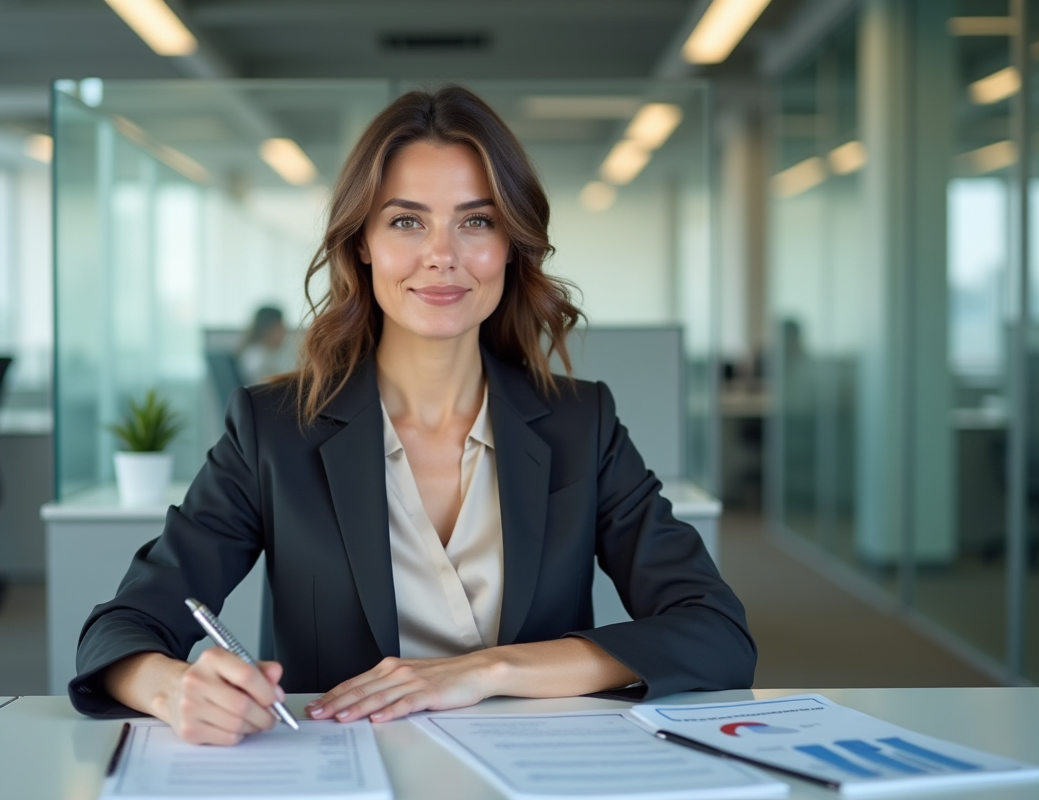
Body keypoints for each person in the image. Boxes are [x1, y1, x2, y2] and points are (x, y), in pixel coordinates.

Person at [71, 86, 755, 744]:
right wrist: (172, 688)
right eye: (406, 221)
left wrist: (489, 670)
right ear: (361, 242)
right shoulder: (274, 428)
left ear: (511, 245)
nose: (442, 256)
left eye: (476, 221)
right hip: (344, 775)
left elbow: (715, 631)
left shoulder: (581, 425)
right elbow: (126, 624)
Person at [235, 305, 289, 384]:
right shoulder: (260, 361)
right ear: (271, 329)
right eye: (282, 327)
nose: (284, 333)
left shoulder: (254, 352)